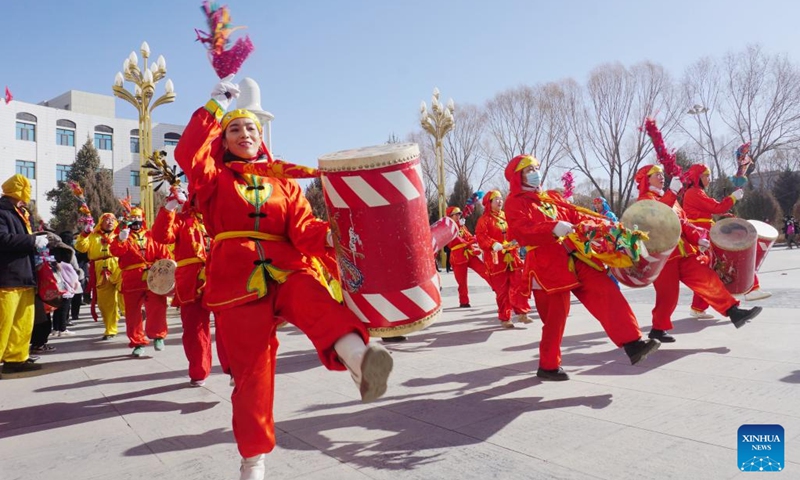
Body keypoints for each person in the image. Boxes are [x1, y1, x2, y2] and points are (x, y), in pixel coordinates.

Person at [173, 76, 394, 480]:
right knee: (253, 374)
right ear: (223, 141)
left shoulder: (283, 183)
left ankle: (361, 362)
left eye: (251, 128)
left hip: (287, 263)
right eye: (234, 129)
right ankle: (253, 461)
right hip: (234, 279)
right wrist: (213, 106)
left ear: (262, 138)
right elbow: (188, 153)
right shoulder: (212, 179)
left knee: (318, 302)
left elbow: (304, 229)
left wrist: (328, 234)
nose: (244, 133)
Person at [504, 155, 660, 381]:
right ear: (518, 176)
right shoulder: (515, 202)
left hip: (578, 257)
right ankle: (548, 366)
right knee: (556, 317)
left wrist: (605, 226)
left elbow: (577, 215)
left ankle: (633, 343)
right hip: (547, 265)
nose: (535, 173)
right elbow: (520, 230)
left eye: (536, 168)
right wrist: (552, 227)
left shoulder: (551, 198)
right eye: (529, 170)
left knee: (606, 291)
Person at [634, 164, 762, 342]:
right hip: (663, 256)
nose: (662, 176)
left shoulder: (671, 198)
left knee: (707, 278)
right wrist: (672, 193)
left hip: (684, 251)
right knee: (668, 295)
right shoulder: (643, 200)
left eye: (662, 174)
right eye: (657, 174)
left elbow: (683, 222)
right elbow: (658, 215)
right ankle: (658, 329)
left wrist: (697, 237)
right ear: (646, 179)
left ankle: (734, 311)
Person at [152, 186, 229, 387]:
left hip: (221, 277)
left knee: (228, 327)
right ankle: (198, 371)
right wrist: (170, 207)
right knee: (194, 330)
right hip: (191, 282)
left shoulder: (221, 217)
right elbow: (161, 236)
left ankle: (234, 370)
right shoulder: (181, 220)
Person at [682, 164, 771, 311]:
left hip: (704, 233)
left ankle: (698, 308)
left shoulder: (695, 192)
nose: (709, 179)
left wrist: (725, 213)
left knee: (711, 270)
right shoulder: (694, 192)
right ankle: (751, 289)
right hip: (702, 234)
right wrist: (732, 198)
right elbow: (717, 207)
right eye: (706, 176)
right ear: (698, 177)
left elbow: (710, 209)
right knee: (727, 262)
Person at [109, 207, 172, 357]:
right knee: (133, 312)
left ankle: (158, 335)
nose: (136, 222)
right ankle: (137, 342)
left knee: (158, 306)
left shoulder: (151, 235)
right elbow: (116, 252)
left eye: (138, 219)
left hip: (153, 275)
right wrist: (120, 239)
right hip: (132, 277)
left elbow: (164, 254)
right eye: (133, 219)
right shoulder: (123, 236)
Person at [0, 174, 45, 376]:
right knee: (4, 321)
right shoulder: (2, 212)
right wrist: (31, 241)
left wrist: (37, 240)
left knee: (23, 320)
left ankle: (16, 358)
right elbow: (3, 239)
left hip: (25, 273)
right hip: (7, 275)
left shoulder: (21, 212)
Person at [475, 190, 531, 328]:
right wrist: (493, 244)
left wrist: (518, 240)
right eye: (496, 199)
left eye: (501, 199)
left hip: (512, 256)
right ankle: (505, 318)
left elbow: (515, 231)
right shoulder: (484, 220)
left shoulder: (506, 217)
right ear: (489, 203)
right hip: (496, 260)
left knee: (518, 284)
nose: (500, 201)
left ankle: (522, 313)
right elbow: (481, 237)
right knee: (502, 291)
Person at [75, 213, 124, 340]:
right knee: (105, 302)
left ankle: (128, 313)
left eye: (112, 220)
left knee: (125, 291)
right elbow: (81, 247)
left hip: (118, 265)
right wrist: (85, 233)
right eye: (107, 220)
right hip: (99, 269)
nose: (110, 222)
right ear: (100, 222)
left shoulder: (120, 234)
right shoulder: (92, 236)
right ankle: (110, 328)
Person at [445, 206, 489, 308]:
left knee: (485, 270)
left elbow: (469, 236)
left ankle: (497, 288)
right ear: (450, 216)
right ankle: (464, 301)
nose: (458, 216)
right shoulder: (448, 228)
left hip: (469, 253)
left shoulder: (462, 226)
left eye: (459, 214)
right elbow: (452, 242)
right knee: (462, 282)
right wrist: (467, 240)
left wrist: (474, 239)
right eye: (456, 214)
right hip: (458, 257)